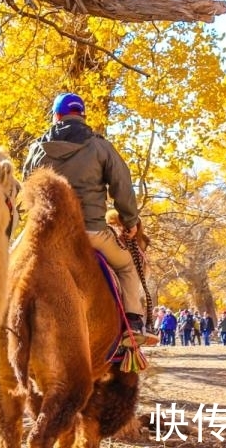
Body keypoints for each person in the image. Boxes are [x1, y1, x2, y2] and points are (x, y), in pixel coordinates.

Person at [24, 92, 155, 345]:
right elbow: (122, 186)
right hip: (91, 233)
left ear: (56, 116)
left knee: (7, 265)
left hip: (44, 236)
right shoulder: (100, 146)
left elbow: (27, 189)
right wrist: (130, 221)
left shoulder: (37, 148)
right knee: (128, 265)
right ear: (82, 116)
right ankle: (133, 324)